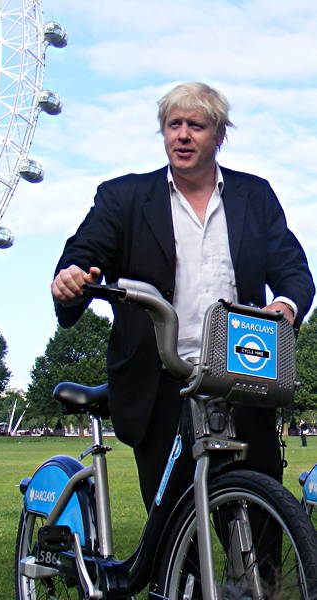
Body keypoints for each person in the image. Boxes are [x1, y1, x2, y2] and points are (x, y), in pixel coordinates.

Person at [51, 82, 315, 510]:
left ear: (219, 135)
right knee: (173, 525)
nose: (183, 135)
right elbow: (86, 251)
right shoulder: (124, 197)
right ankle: (178, 579)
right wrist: (73, 276)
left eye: (196, 125)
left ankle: (255, 581)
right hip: (159, 384)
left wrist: (284, 305)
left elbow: (293, 271)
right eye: (174, 125)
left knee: (261, 512)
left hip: (242, 372)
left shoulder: (255, 195)